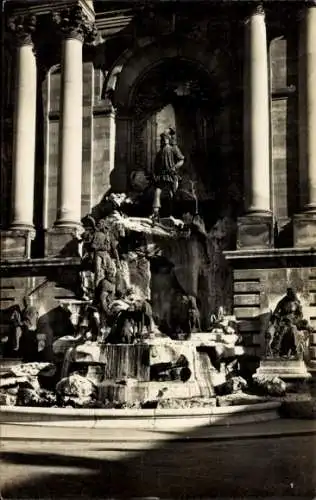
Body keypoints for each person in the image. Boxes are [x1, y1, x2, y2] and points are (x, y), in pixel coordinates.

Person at [152, 128, 185, 221]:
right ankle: (156, 213)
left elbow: (181, 160)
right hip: (162, 176)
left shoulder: (173, 149)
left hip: (172, 176)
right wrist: (155, 174)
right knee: (157, 193)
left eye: (165, 138)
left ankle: (172, 214)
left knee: (172, 195)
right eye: (162, 139)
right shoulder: (159, 153)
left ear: (168, 139)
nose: (163, 140)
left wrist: (174, 168)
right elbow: (156, 166)